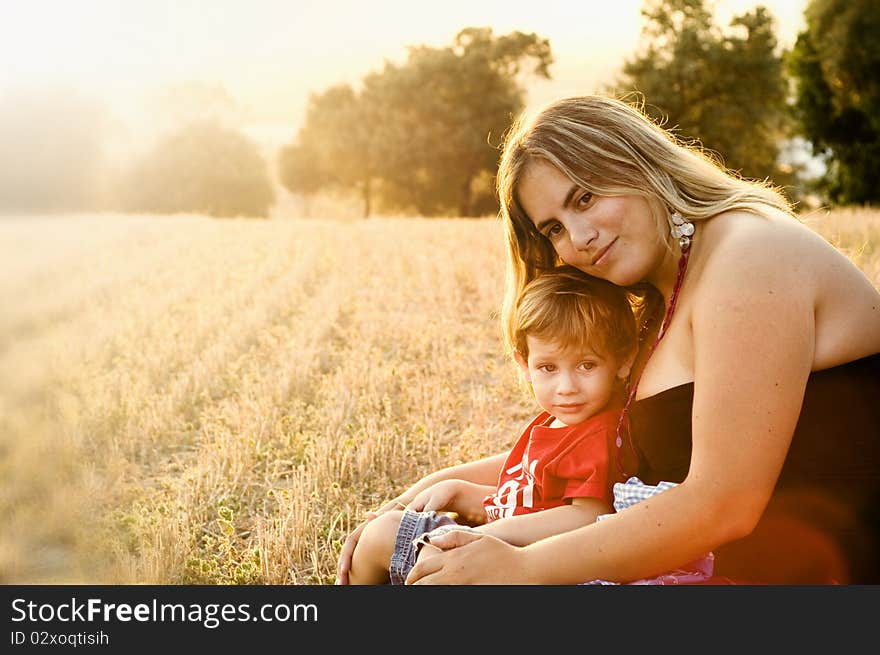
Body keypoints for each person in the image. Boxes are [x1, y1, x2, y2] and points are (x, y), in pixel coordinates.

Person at [337, 94, 880, 585]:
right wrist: (439, 484)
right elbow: (605, 446)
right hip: (707, 570)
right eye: (552, 228)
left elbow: (724, 504)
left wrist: (522, 568)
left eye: (585, 198)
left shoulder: (750, 254)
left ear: (639, 162)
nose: (578, 239)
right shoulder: (662, 295)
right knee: (402, 546)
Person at [344, 266, 644, 584]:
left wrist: (480, 537)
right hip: (503, 546)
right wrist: (461, 491)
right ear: (524, 365)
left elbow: (585, 516)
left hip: (515, 562)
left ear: (623, 361)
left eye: (587, 365)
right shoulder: (561, 422)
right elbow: (527, 503)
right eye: (548, 367)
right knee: (386, 529)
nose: (566, 386)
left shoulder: (596, 434)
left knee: (383, 534)